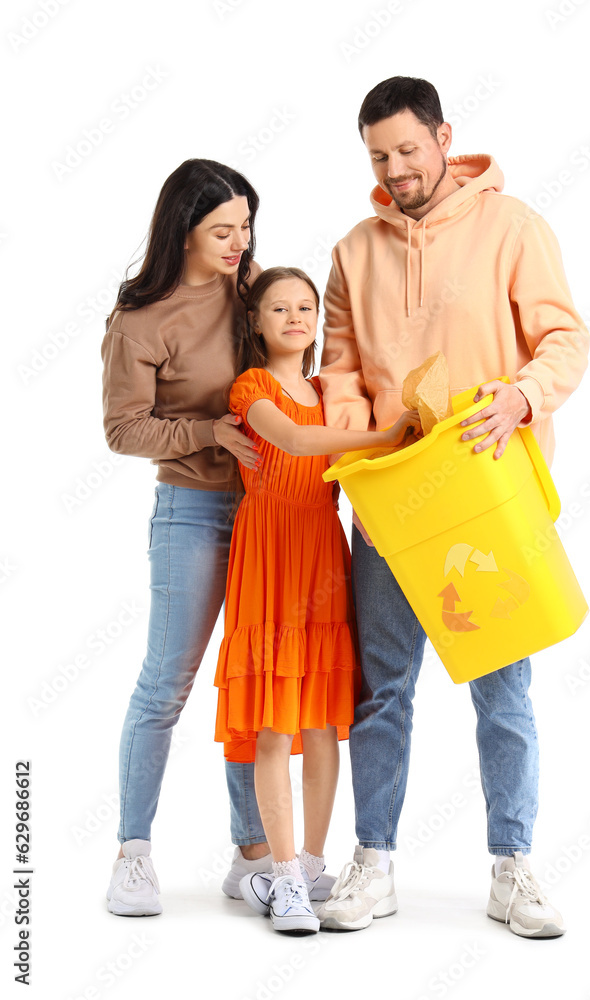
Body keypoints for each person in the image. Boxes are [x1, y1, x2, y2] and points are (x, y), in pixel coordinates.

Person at [317, 77, 589, 938]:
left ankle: (513, 868)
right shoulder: (354, 251)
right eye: (378, 157)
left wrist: (522, 395)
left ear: (443, 137)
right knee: (383, 690)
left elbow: (564, 336)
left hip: (490, 493)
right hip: (395, 503)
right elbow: (340, 370)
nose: (395, 169)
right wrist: (364, 433)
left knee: (503, 689)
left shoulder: (513, 228)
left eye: (407, 149)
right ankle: (375, 864)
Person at [215, 266, 420, 933]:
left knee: (322, 719)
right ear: (256, 322)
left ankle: (308, 865)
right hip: (270, 550)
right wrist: (384, 438)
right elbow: (298, 441)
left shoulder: (333, 390)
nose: (296, 317)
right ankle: (278, 878)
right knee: (274, 719)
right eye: (279, 308)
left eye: (305, 306)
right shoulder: (254, 387)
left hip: (322, 552)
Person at [101, 159, 276, 916]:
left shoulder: (253, 290)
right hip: (193, 513)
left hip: (270, 512)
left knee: (251, 685)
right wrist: (208, 432)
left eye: (245, 227)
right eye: (223, 230)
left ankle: (253, 855)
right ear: (184, 229)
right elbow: (121, 428)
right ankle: (132, 855)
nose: (240, 243)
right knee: (166, 683)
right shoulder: (141, 320)